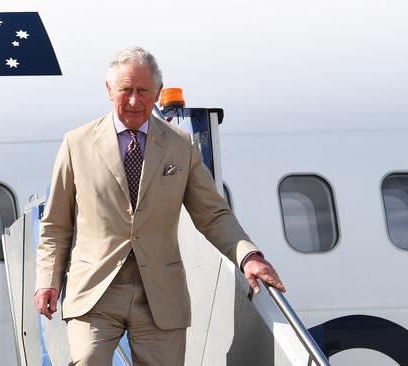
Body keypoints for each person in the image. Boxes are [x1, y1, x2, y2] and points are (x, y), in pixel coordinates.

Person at [34, 46, 285, 365]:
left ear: (158, 93)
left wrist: (248, 256)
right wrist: (47, 282)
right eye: (126, 90)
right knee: (87, 359)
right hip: (96, 290)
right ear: (109, 90)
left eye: (143, 91)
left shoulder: (180, 146)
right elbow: (56, 225)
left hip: (159, 293)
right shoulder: (77, 143)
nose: (135, 101)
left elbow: (213, 214)